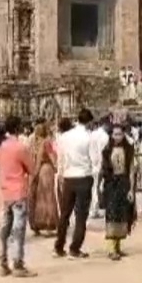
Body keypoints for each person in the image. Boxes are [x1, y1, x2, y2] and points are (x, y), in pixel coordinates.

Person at [0, 115, 37, 277]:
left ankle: (3, 263)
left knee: (5, 229)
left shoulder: (0, 146)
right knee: (18, 230)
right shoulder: (20, 147)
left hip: (5, 192)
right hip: (19, 191)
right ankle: (18, 264)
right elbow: (32, 169)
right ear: (18, 128)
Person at [54, 109, 97, 259]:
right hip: (83, 176)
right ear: (90, 122)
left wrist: (60, 175)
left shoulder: (64, 137)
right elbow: (95, 160)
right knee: (80, 215)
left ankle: (59, 246)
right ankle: (75, 248)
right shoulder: (89, 137)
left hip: (68, 176)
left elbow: (60, 158)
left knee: (64, 214)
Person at [99, 124, 138, 260]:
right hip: (111, 185)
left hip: (124, 184)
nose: (117, 137)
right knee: (111, 215)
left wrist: (131, 189)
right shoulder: (106, 150)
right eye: (115, 134)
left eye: (119, 134)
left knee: (122, 215)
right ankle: (111, 249)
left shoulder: (128, 150)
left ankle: (118, 246)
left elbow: (132, 170)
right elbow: (103, 170)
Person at [27, 120, 60, 235]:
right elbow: (52, 157)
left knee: (37, 198)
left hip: (35, 170)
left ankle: (37, 223)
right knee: (48, 197)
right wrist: (56, 167)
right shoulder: (46, 143)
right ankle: (48, 223)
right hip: (46, 170)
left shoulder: (33, 143)